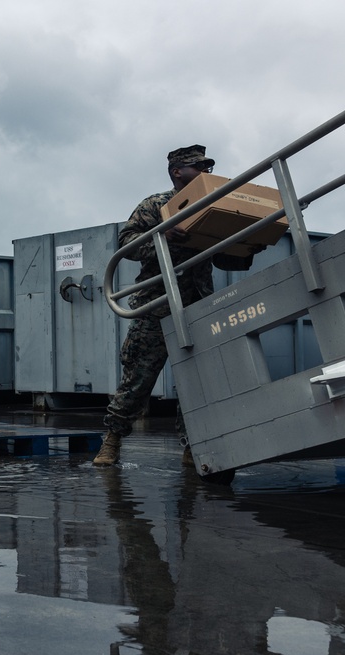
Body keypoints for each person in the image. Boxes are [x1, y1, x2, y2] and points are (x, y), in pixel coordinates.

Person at [93, 145, 257, 466]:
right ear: (177, 172)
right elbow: (126, 242)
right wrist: (161, 234)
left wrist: (251, 242)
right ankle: (112, 439)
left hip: (197, 304)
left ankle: (191, 446)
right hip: (156, 305)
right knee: (138, 379)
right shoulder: (156, 204)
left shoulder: (213, 205)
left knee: (197, 382)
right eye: (198, 167)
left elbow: (225, 258)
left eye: (208, 167)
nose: (206, 172)